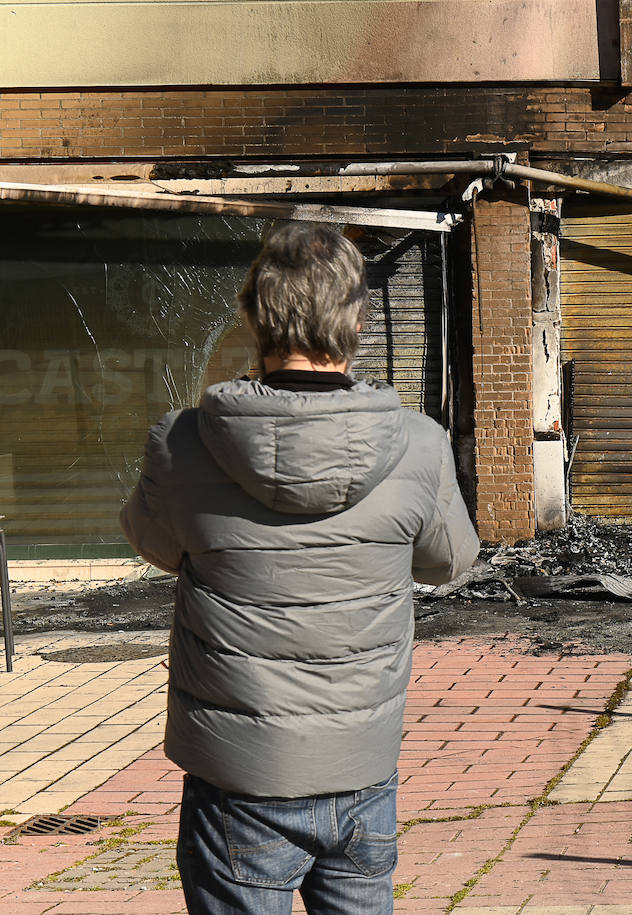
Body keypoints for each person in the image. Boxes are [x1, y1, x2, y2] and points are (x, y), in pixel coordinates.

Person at [121, 222, 479, 913]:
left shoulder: (183, 444)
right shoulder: (417, 445)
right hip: (361, 767)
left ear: (252, 311)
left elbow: (156, 544)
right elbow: (447, 561)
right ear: (356, 320)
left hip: (237, 779)